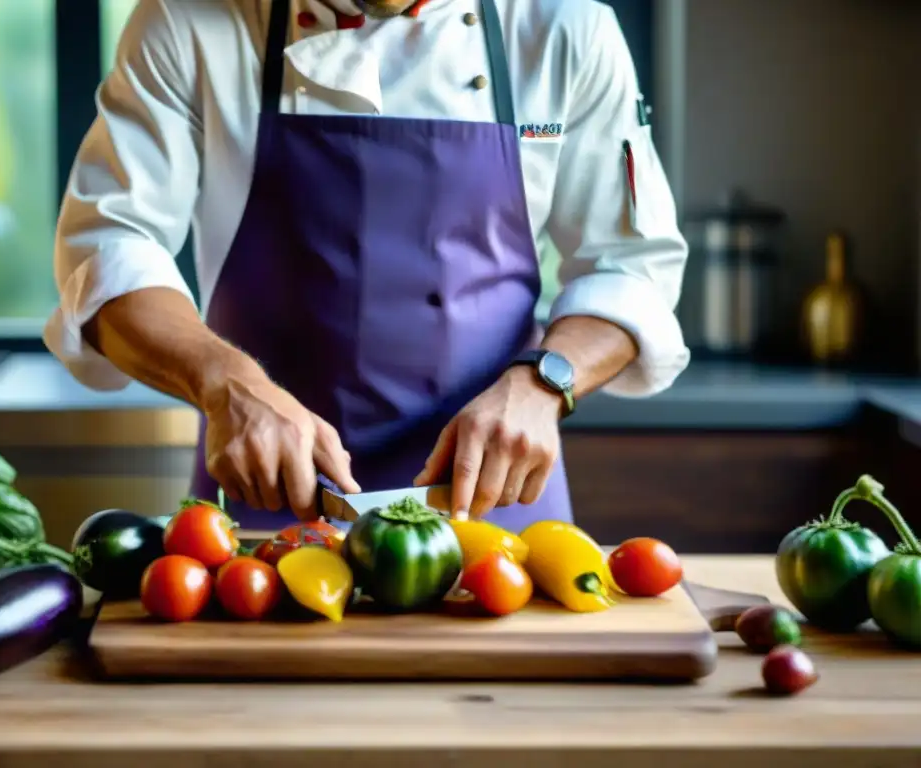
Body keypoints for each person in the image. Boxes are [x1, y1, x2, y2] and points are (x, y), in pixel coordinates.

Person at [45, 0, 690, 533]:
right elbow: (108, 246)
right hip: (266, 512)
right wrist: (226, 383)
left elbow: (631, 267)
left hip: (496, 517)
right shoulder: (189, 22)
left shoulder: (564, 28)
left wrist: (545, 383)